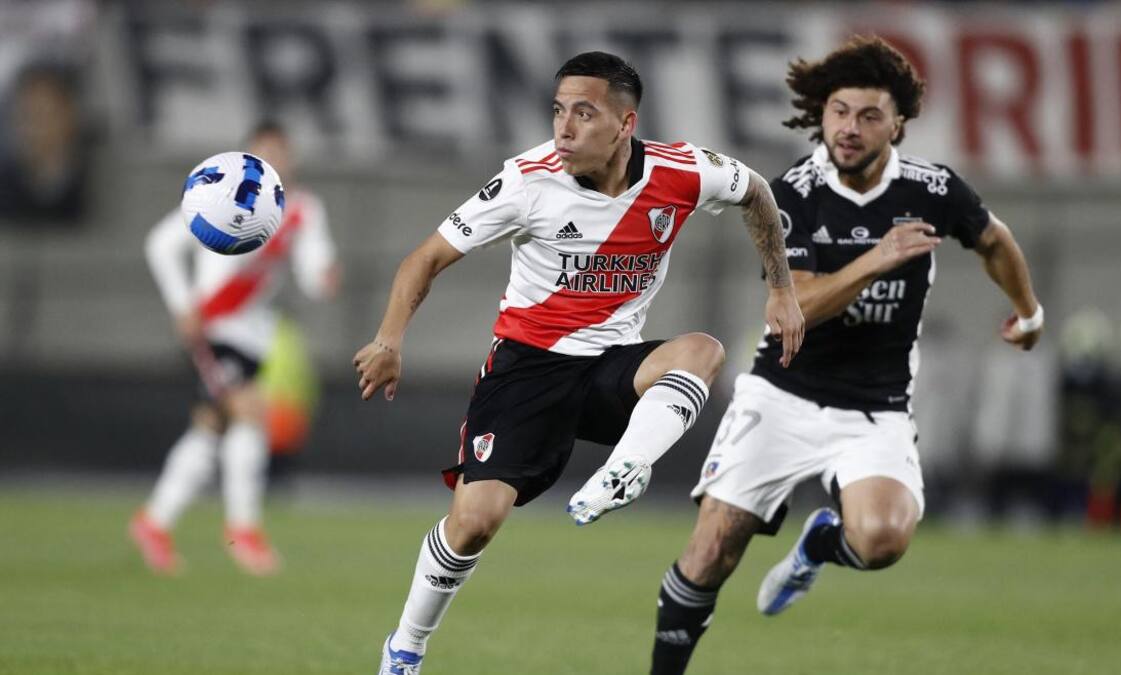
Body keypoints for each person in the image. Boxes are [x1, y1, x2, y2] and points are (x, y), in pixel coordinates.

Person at [353, 51, 804, 675]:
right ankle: (406, 647)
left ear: (625, 123)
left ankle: (627, 468)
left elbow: (756, 192)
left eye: (584, 114)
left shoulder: (682, 172)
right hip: (527, 371)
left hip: (610, 367)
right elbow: (423, 259)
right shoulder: (526, 181)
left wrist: (779, 288)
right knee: (476, 524)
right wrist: (389, 339)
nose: (564, 128)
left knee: (704, 349)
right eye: (559, 111)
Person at [646, 36, 1044, 674]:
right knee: (712, 551)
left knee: (883, 540)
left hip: (874, 405)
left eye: (868, 115)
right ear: (820, 114)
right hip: (781, 393)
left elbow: (994, 240)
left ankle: (818, 547)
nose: (849, 128)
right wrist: (879, 257)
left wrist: (1029, 313)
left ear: (898, 124)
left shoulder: (933, 188)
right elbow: (792, 308)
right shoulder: (789, 197)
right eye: (838, 111)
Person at [130, 120, 339, 576]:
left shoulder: (302, 209)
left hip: (251, 333)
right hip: (214, 323)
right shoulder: (222, 190)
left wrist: (323, 278)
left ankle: (154, 522)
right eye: (265, 151)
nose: (275, 160)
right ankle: (244, 530)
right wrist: (182, 304)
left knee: (211, 428)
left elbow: (312, 268)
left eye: (281, 151)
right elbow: (162, 244)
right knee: (250, 412)